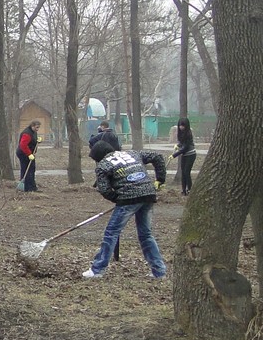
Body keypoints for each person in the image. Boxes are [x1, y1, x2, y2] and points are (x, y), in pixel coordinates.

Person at [82, 141, 168, 280]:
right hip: (148, 194)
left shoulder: (103, 165)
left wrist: (118, 198)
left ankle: (97, 269)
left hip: (128, 198)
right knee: (146, 234)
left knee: (111, 233)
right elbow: (157, 156)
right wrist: (160, 179)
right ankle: (159, 271)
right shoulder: (132, 153)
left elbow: (104, 189)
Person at [172, 117, 197, 195]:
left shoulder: (188, 134)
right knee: (183, 172)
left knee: (187, 172)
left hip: (191, 154)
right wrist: (177, 145)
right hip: (184, 155)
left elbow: (185, 148)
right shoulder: (180, 133)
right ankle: (183, 190)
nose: (181, 127)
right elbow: (182, 143)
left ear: (186, 126)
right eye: (180, 125)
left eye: (183, 125)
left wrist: (174, 155)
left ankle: (189, 189)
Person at [16, 120, 41, 192]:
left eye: (38, 127)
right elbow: (23, 145)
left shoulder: (33, 132)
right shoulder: (26, 133)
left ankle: (32, 187)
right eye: (36, 127)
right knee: (27, 170)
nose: (37, 129)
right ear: (32, 126)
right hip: (23, 154)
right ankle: (26, 188)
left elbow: (32, 141)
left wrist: (38, 141)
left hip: (29, 154)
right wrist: (29, 154)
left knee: (32, 169)